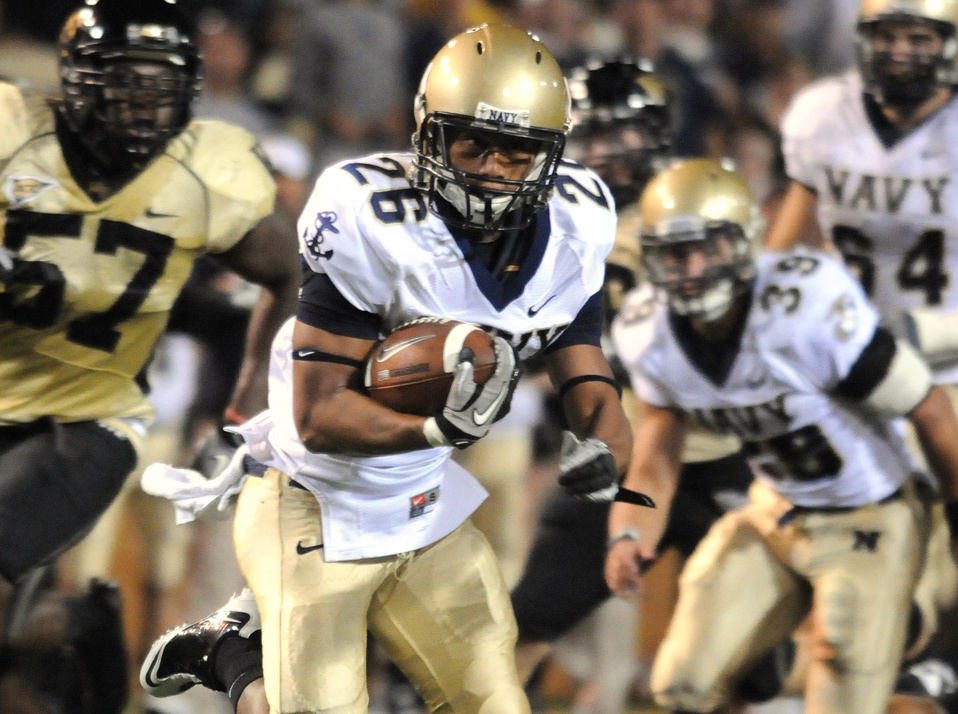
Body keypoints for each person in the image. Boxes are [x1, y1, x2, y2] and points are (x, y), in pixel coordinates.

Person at [142, 23, 635, 714]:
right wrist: (438, 429)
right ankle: (227, 651)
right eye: (473, 144)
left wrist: (604, 438)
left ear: (550, 157)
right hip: (310, 496)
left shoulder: (580, 219)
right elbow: (316, 417)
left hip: (422, 504)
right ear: (429, 136)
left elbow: (583, 359)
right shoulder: (370, 213)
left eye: (517, 152)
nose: (494, 169)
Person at [605, 158, 958, 714]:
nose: (691, 268)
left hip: (871, 514)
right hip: (775, 510)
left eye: (706, 249)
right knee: (679, 686)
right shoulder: (648, 331)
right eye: (674, 253)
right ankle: (859, 650)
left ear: (744, 243)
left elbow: (929, 408)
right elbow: (656, 456)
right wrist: (626, 533)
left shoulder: (804, 307)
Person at [0, 0, 300, 710]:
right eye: (125, 81)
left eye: (159, 85)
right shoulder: (14, 130)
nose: (143, 102)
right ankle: (77, 627)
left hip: (87, 419)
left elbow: (287, 270)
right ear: (76, 77)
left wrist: (256, 389)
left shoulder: (207, 169)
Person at [509, 59, 757, 700]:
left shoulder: (690, 212)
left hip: (718, 451)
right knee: (530, 616)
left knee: (755, 663)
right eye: (592, 136)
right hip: (621, 452)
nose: (607, 155)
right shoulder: (550, 221)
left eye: (623, 136)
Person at [765, 0, 958, 665]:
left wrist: (932, 334)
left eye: (918, 36)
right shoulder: (821, 113)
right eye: (886, 35)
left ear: (956, 41)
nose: (899, 51)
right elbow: (785, 255)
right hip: (860, 376)